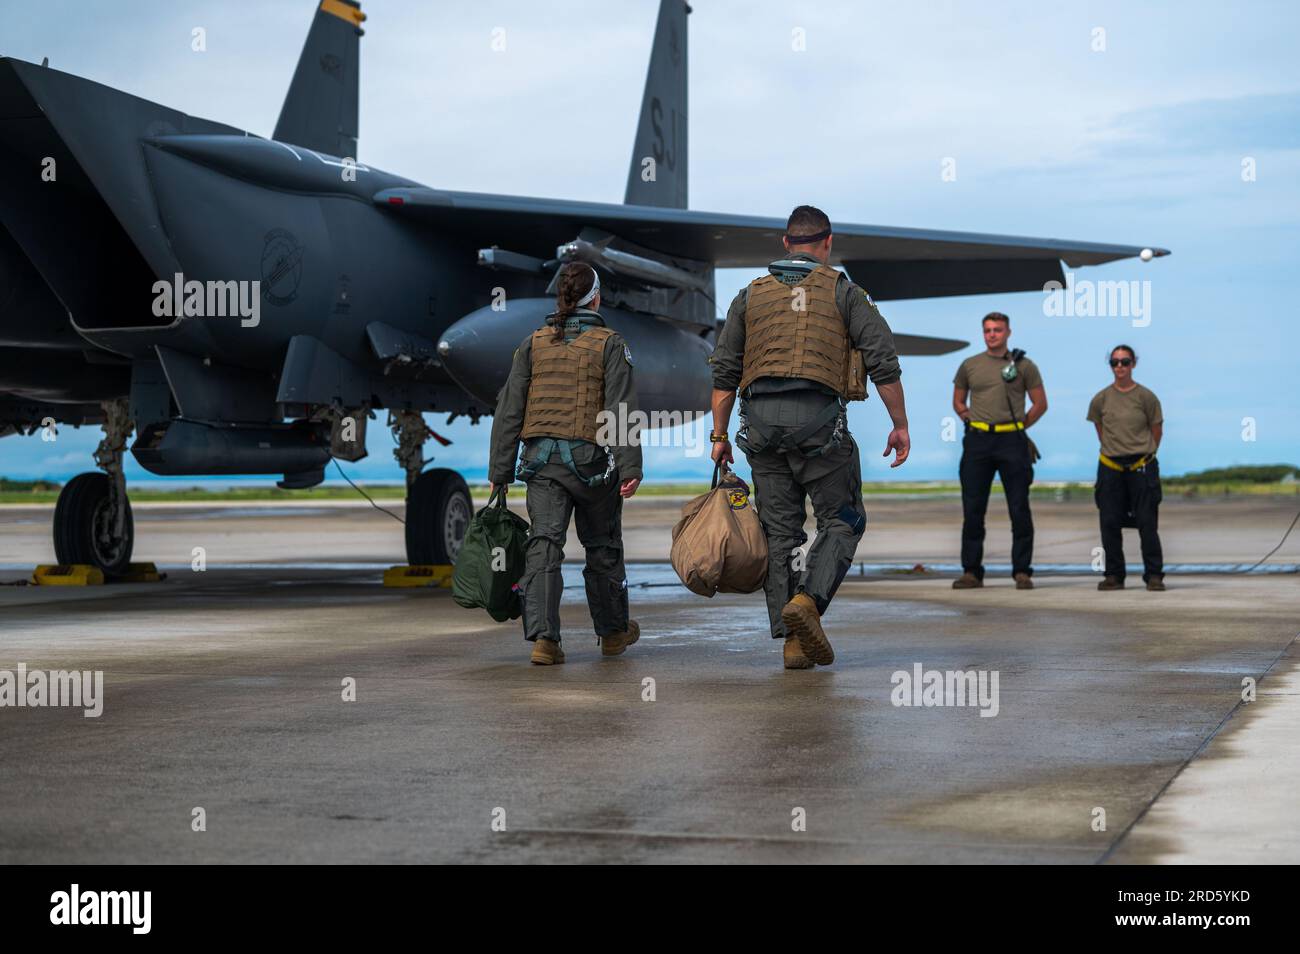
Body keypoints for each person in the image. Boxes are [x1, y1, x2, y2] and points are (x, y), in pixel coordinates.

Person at [709, 205, 909, 670]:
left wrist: (718, 436)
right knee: (841, 519)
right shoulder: (845, 292)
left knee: (781, 533)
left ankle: (792, 641)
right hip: (819, 426)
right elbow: (884, 362)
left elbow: (724, 371)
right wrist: (899, 424)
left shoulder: (748, 296)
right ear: (827, 243)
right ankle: (809, 604)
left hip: (758, 428)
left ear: (785, 243)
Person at [487, 262, 643, 665]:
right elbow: (621, 410)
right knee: (603, 547)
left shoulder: (533, 344)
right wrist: (630, 468)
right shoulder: (610, 344)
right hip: (592, 464)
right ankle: (611, 634)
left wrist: (499, 473)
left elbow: (508, 411)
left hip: (541, 464)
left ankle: (544, 640)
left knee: (544, 545)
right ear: (596, 297)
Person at [951, 312, 1046, 590]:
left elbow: (1040, 403)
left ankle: (1022, 571)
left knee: (1019, 508)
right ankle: (971, 571)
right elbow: (958, 401)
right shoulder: (969, 365)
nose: (992, 334)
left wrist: (1019, 427)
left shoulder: (1024, 365)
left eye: (998, 330)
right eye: (988, 330)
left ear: (1008, 332)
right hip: (978, 441)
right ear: (983, 333)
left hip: (1012, 442)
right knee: (973, 509)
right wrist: (968, 418)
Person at [1088, 345, 1165, 591]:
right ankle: (1114, 576)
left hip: (1142, 466)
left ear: (1133, 364)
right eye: (1115, 362)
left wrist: (1143, 451)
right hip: (1110, 467)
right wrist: (1116, 450)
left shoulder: (1146, 397)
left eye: (1125, 361)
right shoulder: (1100, 399)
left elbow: (1157, 429)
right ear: (1110, 365)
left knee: (1147, 523)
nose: (1120, 366)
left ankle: (1153, 575)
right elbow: (1100, 430)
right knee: (1109, 522)